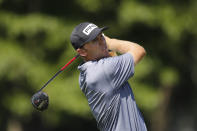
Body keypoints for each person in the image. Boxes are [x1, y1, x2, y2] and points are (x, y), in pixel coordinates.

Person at [70, 22, 147, 131]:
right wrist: (111, 42)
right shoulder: (103, 71)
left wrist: (106, 49)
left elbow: (111, 57)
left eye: (101, 36)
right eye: (95, 40)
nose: (102, 42)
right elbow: (139, 51)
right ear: (82, 51)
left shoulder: (87, 72)